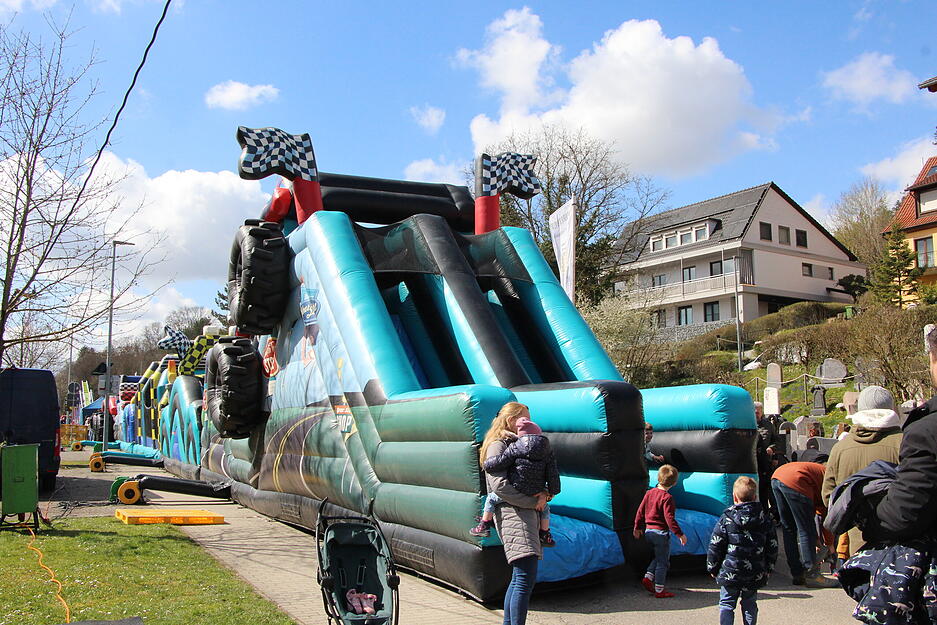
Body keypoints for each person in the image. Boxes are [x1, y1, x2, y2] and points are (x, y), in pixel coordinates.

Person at [480, 402, 549, 625]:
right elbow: (499, 486)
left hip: (524, 515)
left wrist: (545, 493)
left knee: (520, 577)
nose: (529, 422)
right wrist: (532, 502)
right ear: (511, 420)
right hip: (513, 515)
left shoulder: (520, 443)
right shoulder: (498, 445)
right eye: (524, 418)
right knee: (524, 577)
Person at [821, 385, 902, 560]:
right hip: (900, 542)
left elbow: (829, 496)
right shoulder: (906, 443)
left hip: (857, 542)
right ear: (892, 408)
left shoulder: (840, 448)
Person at [471, 415, 561, 547]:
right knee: (545, 509)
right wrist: (552, 491)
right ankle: (545, 533)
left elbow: (500, 461)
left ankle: (484, 524)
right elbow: (553, 474)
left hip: (517, 487)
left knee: (491, 498)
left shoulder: (515, 447)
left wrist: (487, 464)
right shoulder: (547, 451)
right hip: (535, 492)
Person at [707, 476, 778, 625]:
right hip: (755, 571)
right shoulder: (764, 519)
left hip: (730, 570)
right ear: (755, 497)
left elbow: (716, 544)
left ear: (734, 497)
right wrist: (770, 566)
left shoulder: (727, 519)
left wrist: (712, 566)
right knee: (750, 603)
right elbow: (772, 545)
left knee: (726, 603)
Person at [771, 460, 838, 587]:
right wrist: (829, 544)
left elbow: (813, 512)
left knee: (788, 528)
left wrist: (817, 540)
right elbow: (826, 518)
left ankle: (797, 574)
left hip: (778, 476)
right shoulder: (831, 481)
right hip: (797, 479)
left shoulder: (819, 473)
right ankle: (812, 573)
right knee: (805, 529)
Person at [633, 464, 687, 598]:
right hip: (660, 534)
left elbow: (640, 511)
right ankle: (659, 589)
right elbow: (670, 519)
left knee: (659, 557)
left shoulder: (649, 493)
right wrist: (680, 534)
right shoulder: (667, 498)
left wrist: (637, 527)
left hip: (648, 532)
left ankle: (648, 577)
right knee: (663, 562)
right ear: (674, 483)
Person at [754, 401, 782, 520]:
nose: (756, 415)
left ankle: (771, 515)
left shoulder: (768, 425)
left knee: (768, 490)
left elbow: (777, 441)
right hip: (752, 462)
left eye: (758, 413)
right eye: (754, 413)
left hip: (766, 462)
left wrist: (773, 451)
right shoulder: (747, 424)